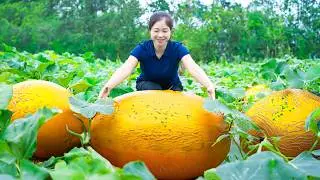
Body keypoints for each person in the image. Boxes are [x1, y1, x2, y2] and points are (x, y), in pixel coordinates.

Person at [99, 11, 216, 99]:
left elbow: (193, 67)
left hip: (172, 87)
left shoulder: (178, 48)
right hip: (147, 86)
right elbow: (126, 68)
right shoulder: (142, 48)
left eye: (165, 31)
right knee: (155, 89)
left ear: (170, 32)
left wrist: (209, 85)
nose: (160, 35)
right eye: (156, 30)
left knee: (175, 96)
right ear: (150, 31)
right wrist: (109, 86)